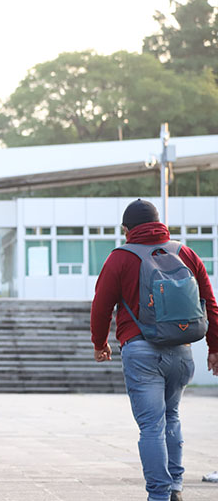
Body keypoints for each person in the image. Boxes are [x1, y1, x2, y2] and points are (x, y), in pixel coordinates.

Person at [91, 199, 218, 501]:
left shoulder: (120, 258)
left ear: (127, 229)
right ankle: (174, 487)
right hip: (182, 350)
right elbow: (210, 304)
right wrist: (214, 348)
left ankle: (159, 495)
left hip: (141, 350)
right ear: (159, 224)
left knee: (151, 426)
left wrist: (100, 343)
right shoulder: (185, 253)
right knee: (171, 417)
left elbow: (101, 306)